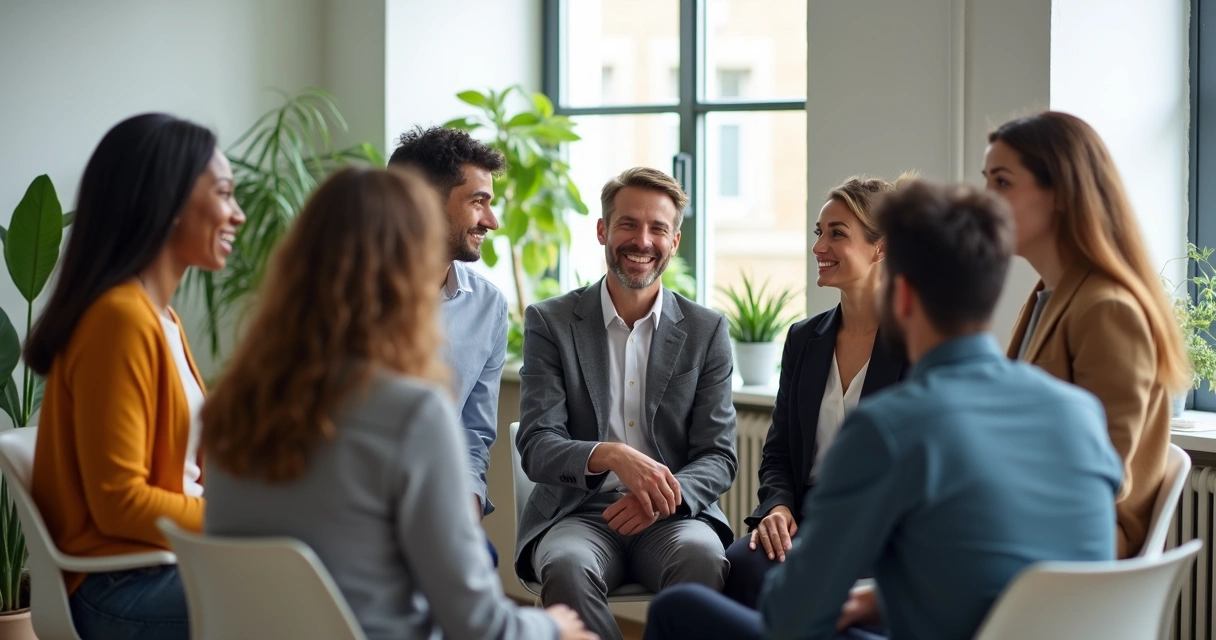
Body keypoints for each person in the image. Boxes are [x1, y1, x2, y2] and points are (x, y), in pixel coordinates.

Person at [643, 181, 1123, 640]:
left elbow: (792, 619)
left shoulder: (890, 427)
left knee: (677, 610)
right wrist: (883, 599)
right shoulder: (1080, 413)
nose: (820, 246)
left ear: (901, 292)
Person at [201, 167, 594, 640]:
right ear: (408, 273)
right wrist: (551, 626)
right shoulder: (411, 412)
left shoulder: (233, 402)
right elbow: (480, 625)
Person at [26, 113, 245, 640]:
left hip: (159, 566)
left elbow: (182, 472)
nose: (237, 214)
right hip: (119, 587)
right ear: (168, 202)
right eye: (223, 193)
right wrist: (238, 520)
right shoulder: (119, 319)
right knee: (321, 599)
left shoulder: (159, 317)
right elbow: (121, 502)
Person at [515, 167, 738, 640]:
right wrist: (613, 455)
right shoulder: (550, 322)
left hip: (673, 515)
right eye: (628, 224)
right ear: (602, 230)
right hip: (578, 513)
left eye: (658, 228)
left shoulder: (707, 330)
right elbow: (537, 444)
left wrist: (662, 496)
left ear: (674, 241)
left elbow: (719, 456)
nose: (643, 241)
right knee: (566, 566)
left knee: (704, 557)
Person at [986, 111, 1189, 558]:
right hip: (1038, 532)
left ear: (1061, 193)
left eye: (1001, 182)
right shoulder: (1047, 296)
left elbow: (1103, 476)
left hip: (1079, 547)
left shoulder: (1107, 308)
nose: (985, 201)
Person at [725, 176, 909, 608]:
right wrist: (777, 508)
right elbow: (778, 454)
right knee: (741, 561)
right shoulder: (803, 339)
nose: (818, 247)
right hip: (806, 523)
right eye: (818, 232)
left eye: (837, 234)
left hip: (880, 533)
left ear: (880, 248)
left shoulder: (916, 344)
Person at [388, 126, 509, 547]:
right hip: (352, 505)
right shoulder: (343, 295)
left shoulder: (489, 308)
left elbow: (474, 433)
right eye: (478, 202)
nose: (492, 221)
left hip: (436, 507)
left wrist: (470, 502)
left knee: (482, 561)